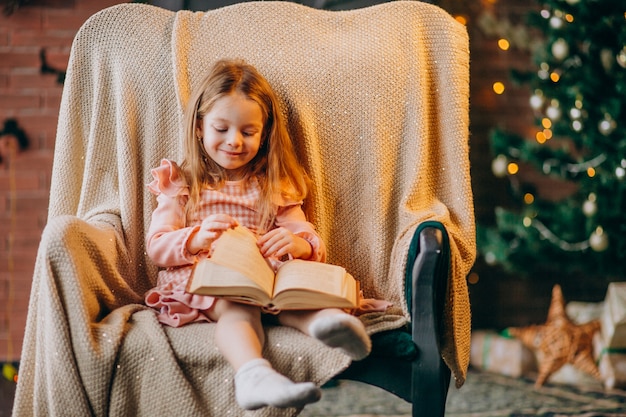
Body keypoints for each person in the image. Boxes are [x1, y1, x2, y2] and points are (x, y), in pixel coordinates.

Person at [144, 59, 372, 411]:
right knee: (238, 309)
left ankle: (329, 325)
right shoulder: (182, 182)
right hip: (209, 279)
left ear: (264, 133)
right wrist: (195, 238)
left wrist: (296, 243)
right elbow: (157, 245)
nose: (234, 141)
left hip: (262, 277)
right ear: (200, 127)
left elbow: (303, 233)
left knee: (291, 299)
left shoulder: (273, 183)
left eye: (248, 132)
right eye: (221, 128)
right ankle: (253, 375)